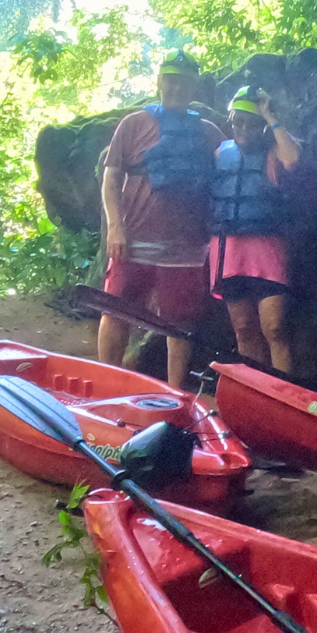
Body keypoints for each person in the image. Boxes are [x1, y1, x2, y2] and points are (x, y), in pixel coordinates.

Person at [98, 54, 221, 388]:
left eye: (183, 81)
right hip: (133, 241)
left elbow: (226, 182)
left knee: (179, 325)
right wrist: (115, 225)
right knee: (116, 312)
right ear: (159, 82)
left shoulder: (209, 134)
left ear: (195, 86)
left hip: (186, 250)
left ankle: (174, 394)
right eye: (170, 79)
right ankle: (107, 384)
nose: (176, 87)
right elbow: (111, 178)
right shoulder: (134, 124)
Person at [209, 86, 302, 373]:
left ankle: (284, 396)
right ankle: (256, 390)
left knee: (274, 327)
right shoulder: (219, 152)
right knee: (243, 327)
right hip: (228, 250)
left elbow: (293, 159)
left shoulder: (275, 150)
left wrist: (268, 115)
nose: (244, 129)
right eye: (239, 122)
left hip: (266, 249)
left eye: (252, 123)